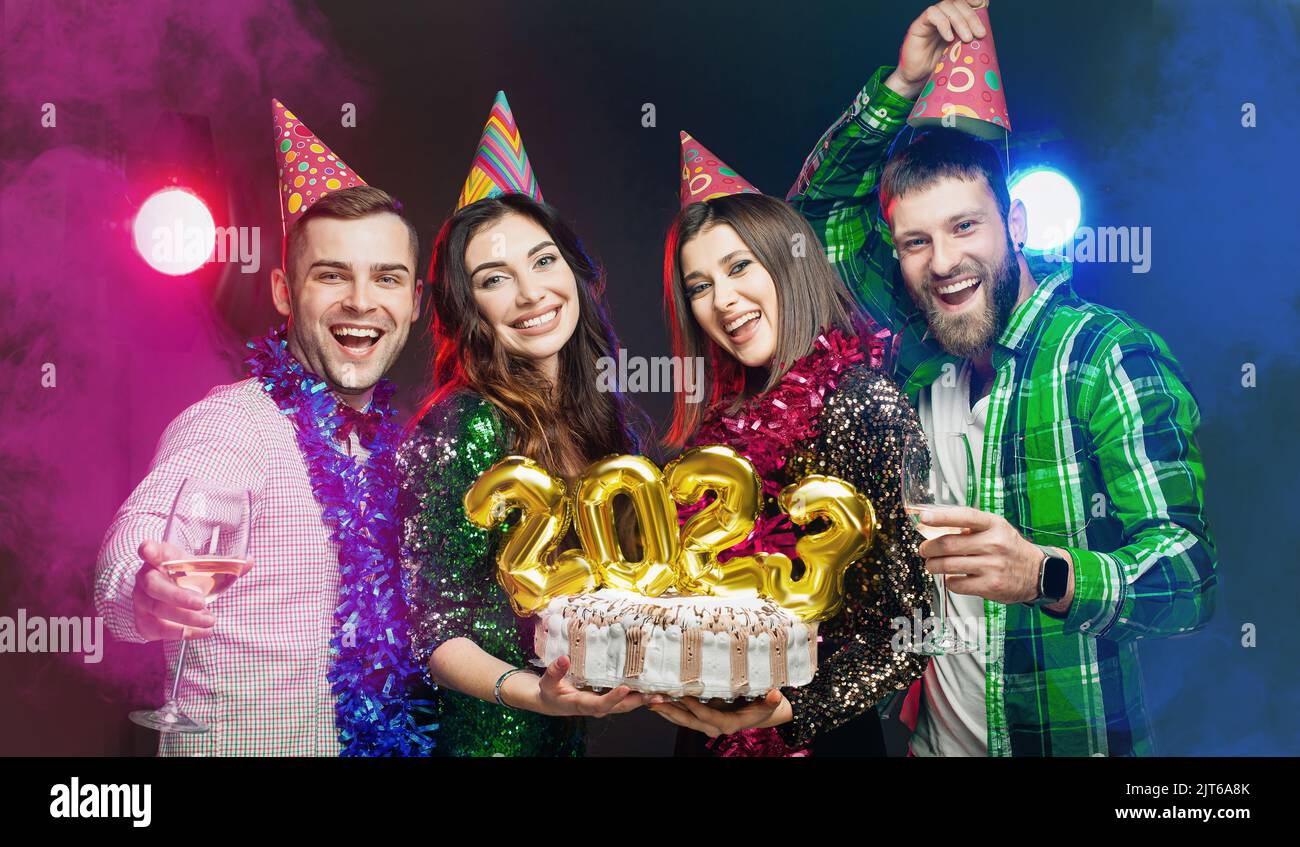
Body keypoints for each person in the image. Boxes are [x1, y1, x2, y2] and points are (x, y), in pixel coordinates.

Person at [786, 2, 1218, 755]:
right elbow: (809, 220)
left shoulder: (1104, 355)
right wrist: (900, 83)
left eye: (964, 227)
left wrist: (1044, 573)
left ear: (1014, 224)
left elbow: (1188, 576)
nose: (944, 262)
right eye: (916, 241)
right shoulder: (928, 349)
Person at [94, 101, 430, 755]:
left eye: (385, 278)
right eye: (331, 275)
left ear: (414, 302)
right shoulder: (234, 425)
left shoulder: (393, 449)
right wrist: (145, 588)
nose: (361, 301)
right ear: (282, 291)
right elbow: (138, 542)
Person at [645, 134, 930, 756]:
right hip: (705, 737)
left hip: (817, 736)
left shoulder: (865, 404)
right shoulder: (710, 433)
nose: (722, 301)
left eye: (739, 266)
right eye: (698, 286)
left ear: (788, 262)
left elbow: (913, 624)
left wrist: (792, 708)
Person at [398, 92, 647, 757]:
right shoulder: (465, 423)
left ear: (574, 270)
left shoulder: (599, 421)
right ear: (467, 305)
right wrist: (536, 692)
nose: (533, 293)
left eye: (542, 261)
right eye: (495, 278)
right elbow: (434, 623)